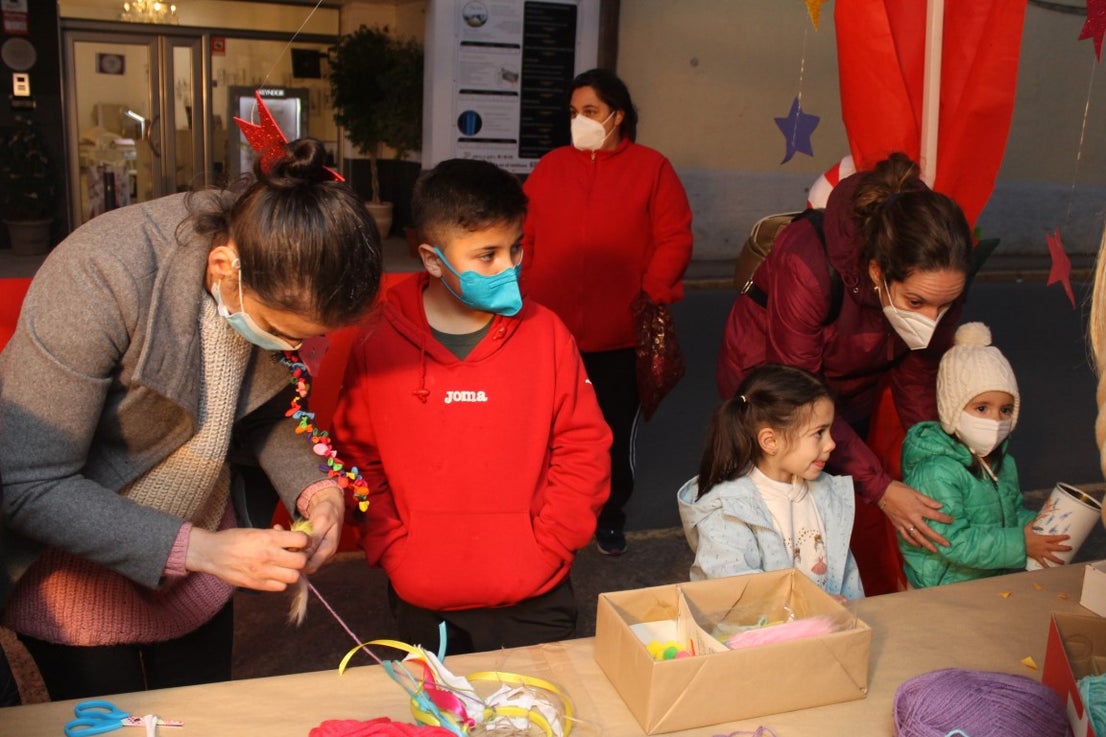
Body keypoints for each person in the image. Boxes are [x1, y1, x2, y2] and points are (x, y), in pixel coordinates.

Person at [0, 138, 383, 700]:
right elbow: (27, 483)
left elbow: (265, 413)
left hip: (199, 566)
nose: (295, 350)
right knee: (110, 723)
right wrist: (202, 549)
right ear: (224, 267)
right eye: (284, 333)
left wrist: (316, 488)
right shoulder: (98, 273)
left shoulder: (267, 265)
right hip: (76, 571)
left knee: (200, 710)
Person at [330, 158, 611, 656]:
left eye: (516, 248)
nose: (509, 267)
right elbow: (357, 458)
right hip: (422, 598)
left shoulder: (547, 334)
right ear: (432, 259)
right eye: (487, 255)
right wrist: (393, 546)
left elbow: (583, 447)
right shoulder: (378, 340)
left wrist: (550, 544)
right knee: (437, 708)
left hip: (535, 596)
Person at [715, 153, 974, 594]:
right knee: (771, 508)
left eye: (945, 306)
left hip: (851, 386)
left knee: (830, 507)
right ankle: (755, 596)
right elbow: (798, 396)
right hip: (773, 386)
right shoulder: (808, 261)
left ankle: (825, 592)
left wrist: (939, 460)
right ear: (876, 271)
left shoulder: (939, 271)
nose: (932, 320)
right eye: (916, 303)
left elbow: (916, 380)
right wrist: (882, 488)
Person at [522, 68, 693, 556]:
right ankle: (548, 512)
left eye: (590, 111)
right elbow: (524, 236)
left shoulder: (652, 169)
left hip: (621, 335)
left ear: (617, 116)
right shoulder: (551, 167)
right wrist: (522, 289)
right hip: (549, 332)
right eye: (574, 112)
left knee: (612, 435)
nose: (579, 121)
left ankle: (609, 516)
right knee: (547, 430)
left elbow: (675, 237)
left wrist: (650, 292)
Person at [901, 323, 1070, 586]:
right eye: (982, 408)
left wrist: (1039, 526)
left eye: (1006, 410)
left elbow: (1009, 514)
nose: (996, 420)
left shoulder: (1004, 463)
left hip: (986, 583)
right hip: (939, 591)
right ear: (951, 408)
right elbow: (953, 541)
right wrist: (1022, 544)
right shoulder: (935, 472)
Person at [678, 364, 862, 600]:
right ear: (770, 441)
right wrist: (810, 607)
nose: (831, 444)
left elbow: (847, 581)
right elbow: (733, 588)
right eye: (819, 433)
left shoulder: (827, 494)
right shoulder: (728, 508)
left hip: (827, 622)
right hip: (766, 625)